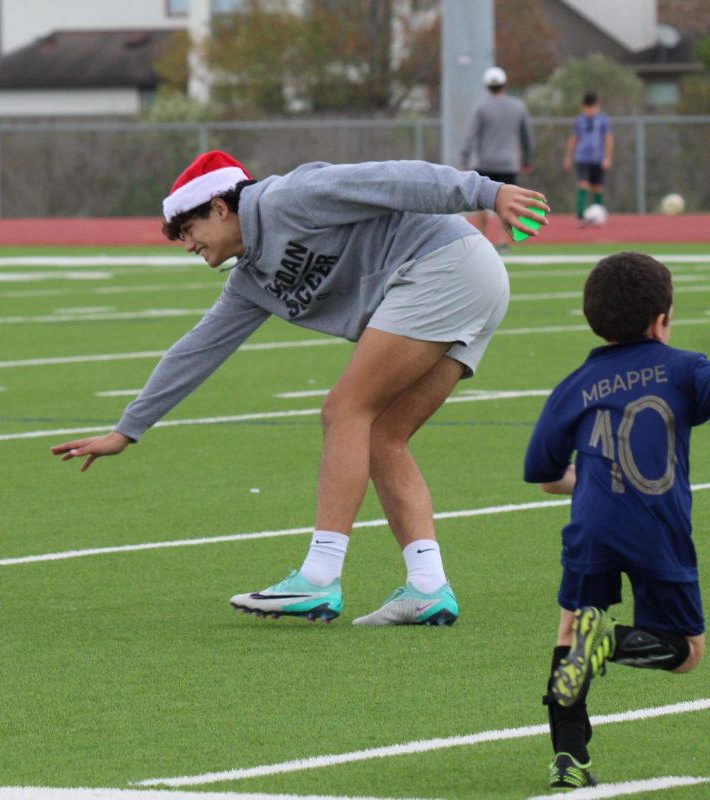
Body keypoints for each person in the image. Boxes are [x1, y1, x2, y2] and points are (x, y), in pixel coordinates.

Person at [51, 150, 548, 625]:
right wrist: (127, 430)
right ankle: (427, 587)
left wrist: (488, 191)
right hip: (468, 278)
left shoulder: (288, 198)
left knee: (344, 411)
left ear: (221, 208)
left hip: (445, 265)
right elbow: (198, 349)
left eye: (189, 229)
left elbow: (393, 178)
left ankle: (318, 575)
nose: (187, 244)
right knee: (381, 437)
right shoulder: (249, 281)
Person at [524, 252, 706, 790]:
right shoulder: (686, 368)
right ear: (662, 319)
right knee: (687, 655)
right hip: (658, 527)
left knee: (569, 631)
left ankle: (569, 760)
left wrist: (595, 477)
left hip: (592, 527)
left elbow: (545, 475)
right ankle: (614, 643)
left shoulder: (575, 384)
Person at [459, 66, 534, 250]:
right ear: (504, 85)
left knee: (481, 203)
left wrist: (464, 159)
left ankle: (482, 239)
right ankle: (503, 241)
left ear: (487, 86)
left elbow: (470, 135)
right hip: (509, 163)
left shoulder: (481, 106)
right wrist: (527, 159)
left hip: (485, 162)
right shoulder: (518, 106)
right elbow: (527, 136)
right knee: (508, 203)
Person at [563, 91, 614, 226]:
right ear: (583, 107)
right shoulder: (580, 121)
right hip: (582, 159)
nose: (590, 111)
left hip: (598, 159)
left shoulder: (603, 120)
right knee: (583, 185)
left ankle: (598, 216)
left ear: (598, 106)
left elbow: (608, 139)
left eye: (593, 108)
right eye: (588, 108)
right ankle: (580, 217)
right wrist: (568, 157)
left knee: (598, 188)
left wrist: (607, 158)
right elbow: (573, 139)